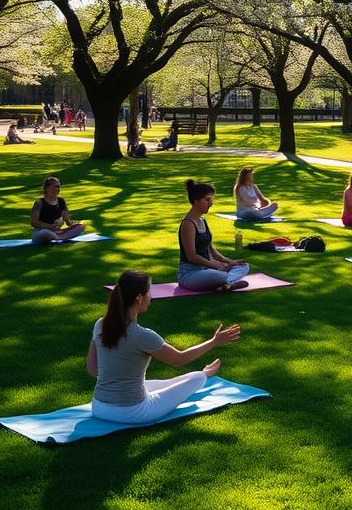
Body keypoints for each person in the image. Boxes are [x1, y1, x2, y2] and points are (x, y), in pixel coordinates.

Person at [87, 270, 242, 424]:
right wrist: (214, 341)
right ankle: (204, 374)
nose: (151, 297)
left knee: (162, 383)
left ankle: (200, 375)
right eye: (149, 292)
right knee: (195, 378)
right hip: (132, 412)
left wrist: (117, 381)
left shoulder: (100, 324)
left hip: (99, 407)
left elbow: (92, 369)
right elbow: (179, 360)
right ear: (139, 298)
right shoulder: (142, 335)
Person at [178, 179, 250, 291]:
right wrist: (215, 265)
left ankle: (226, 284)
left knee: (243, 266)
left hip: (207, 269)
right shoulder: (188, 224)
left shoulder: (202, 220)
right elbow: (191, 256)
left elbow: (211, 249)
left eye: (211, 200)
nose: (211, 203)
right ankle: (227, 281)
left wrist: (227, 261)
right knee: (219, 275)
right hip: (190, 274)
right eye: (207, 200)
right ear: (196, 201)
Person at [30, 176, 87, 243]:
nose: (58, 189)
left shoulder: (61, 201)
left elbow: (67, 221)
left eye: (59, 187)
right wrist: (50, 226)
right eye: (56, 186)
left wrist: (75, 223)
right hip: (41, 231)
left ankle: (58, 237)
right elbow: (33, 222)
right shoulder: (39, 203)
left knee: (81, 227)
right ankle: (60, 237)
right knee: (45, 233)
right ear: (47, 188)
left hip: (57, 231)